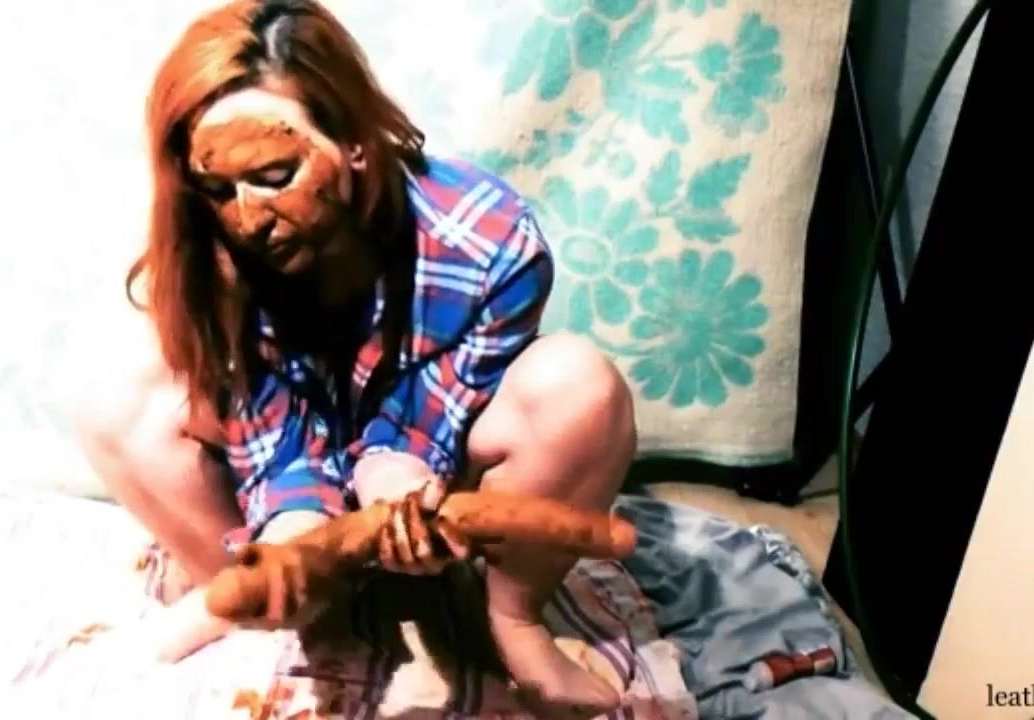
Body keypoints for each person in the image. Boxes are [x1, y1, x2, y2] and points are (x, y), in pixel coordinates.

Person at [68, 0, 637, 716]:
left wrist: (398, 483)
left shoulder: (492, 240)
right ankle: (240, 591)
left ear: (356, 142)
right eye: (216, 189)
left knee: (579, 385)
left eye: (275, 173)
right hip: (291, 495)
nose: (246, 219)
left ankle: (512, 619)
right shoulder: (210, 254)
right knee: (115, 390)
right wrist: (292, 534)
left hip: (431, 483)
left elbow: (439, 417)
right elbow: (268, 439)